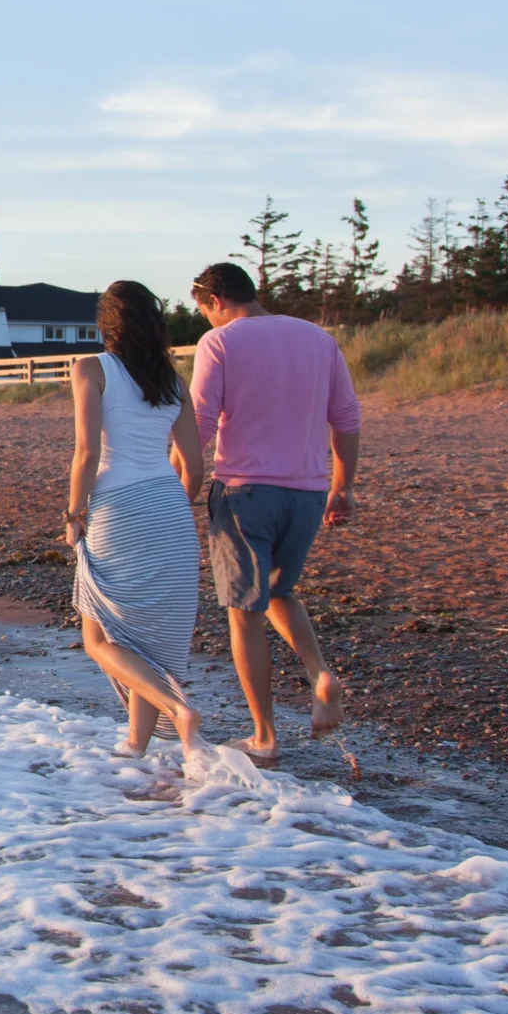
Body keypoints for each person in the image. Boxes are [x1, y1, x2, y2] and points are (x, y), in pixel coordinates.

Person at [187, 261, 362, 765]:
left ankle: (264, 737)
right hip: (306, 493)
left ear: (214, 300)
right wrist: (343, 487)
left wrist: (182, 486)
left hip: (245, 494)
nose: (206, 321)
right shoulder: (317, 338)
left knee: (244, 613)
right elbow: (346, 417)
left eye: (203, 311)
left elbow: (199, 422)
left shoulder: (219, 343)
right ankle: (319, 672)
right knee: (280, 592)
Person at [63, 280, 209, 759]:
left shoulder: (91, 368)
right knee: (144, 638)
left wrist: (73, 514)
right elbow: (193, 464)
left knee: (99, 637)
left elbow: (87, 452)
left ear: (106, 325)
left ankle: (177, 708)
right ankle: (135, 744)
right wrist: (169, 509)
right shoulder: (172, 379)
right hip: (168, 507)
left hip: (118, 507)